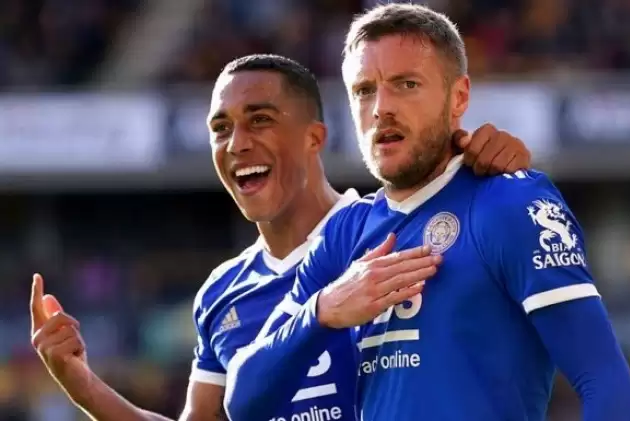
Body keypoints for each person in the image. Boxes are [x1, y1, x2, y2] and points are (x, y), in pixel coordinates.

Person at [29, 54, 533, 421]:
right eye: (221, 128)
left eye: (260, 120)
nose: (237, 143)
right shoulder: (222, 292)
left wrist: (495, 171)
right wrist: (82, 383)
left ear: (314, 137)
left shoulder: (390, 232)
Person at [223, 4, 630, 421]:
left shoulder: (510, 205)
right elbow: (243, 400)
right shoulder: (343, 235)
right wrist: (323, 309)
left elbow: (609, 388)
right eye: (364, 91)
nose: (381, 107)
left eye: (406, 84)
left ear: (458, 97)